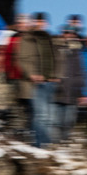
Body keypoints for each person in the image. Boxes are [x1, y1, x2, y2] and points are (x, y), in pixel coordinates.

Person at [16, 11, 58, 147]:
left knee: (49, 116)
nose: (40, 24)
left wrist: (56, 75)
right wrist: (32, 74)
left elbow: (57, 58)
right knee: (40, 115)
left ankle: (45, 144)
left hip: (50, 82)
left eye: (42, 22)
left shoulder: (51, 38)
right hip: (34, 83)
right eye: (37, 21)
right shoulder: (27, 38)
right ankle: (38, 144)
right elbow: (21, 59)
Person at [53, 24, 87, 142]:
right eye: (66, 33)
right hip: (57, 92)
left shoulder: (77, 51)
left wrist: (80, 92)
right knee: (55, 122)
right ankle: (54, 146)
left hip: (72, 94)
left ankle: (63, 146)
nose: (69, 35)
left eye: (72, 33)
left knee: (68, 123)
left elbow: (80, 72)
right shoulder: (55, 47)